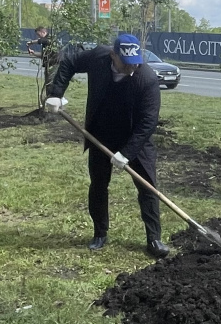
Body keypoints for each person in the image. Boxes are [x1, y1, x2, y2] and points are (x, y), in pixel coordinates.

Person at [44, 34, 169, 257]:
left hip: (135, 138)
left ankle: (154, 239)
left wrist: (127, 153)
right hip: (100, 134)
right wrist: (56, 94)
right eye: (126, 64)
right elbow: (69, 62)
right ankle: (100, 233)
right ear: (113, 56)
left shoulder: (147, 78)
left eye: (135, 63)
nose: (132, 69)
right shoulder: (97, 57)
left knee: (148, 187)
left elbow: (148, 122)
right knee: (99, 184)